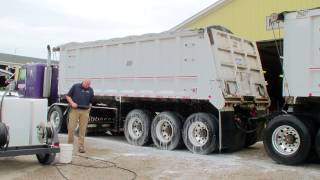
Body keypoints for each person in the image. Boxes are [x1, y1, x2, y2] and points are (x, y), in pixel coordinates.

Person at [66, 79, 94, 153]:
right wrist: (72, 103)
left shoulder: (90, 90)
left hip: (85, 111)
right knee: (71, 127)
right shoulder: (76, 86)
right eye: (86, 84)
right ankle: (69, 145)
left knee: (83, 129)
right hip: (75, 110)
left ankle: (81, 146)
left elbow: (91, 102)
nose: (87, 86)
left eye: (89, 85)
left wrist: (89, 110)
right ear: (83, 82)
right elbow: (68, 96)